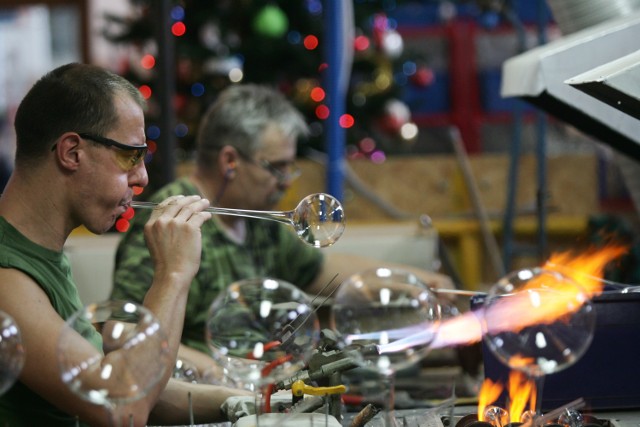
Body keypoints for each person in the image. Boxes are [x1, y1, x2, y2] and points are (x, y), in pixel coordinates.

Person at [111, 83, 456, 374]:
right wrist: (227, 376)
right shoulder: (173, 218)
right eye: (277, 168)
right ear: (230, 161)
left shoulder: (256, 218)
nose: (285, 184)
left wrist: (418, 284)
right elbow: (119, 331)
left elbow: (326, 270)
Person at [0, 63, 250, 427]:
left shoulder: (40, 254)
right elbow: (122, 407)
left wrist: (248, 401)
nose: (142, 178)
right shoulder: (6, 275)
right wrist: (172, 274)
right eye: (131, 156)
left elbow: (115, 382)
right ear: (71, 152)